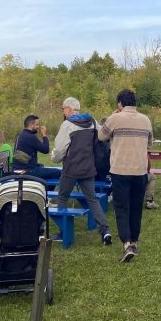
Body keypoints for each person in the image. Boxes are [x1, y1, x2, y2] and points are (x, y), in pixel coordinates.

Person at [98, 89, 153, 263]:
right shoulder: (146, 120)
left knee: (122, 208)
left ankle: (126, 244)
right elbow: (149, 143)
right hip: (139, 171)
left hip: (120, 171)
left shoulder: (115, 118)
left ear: (120, 103)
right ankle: (135, 242)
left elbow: (101, 136)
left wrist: (112, 115)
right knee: (136, 208)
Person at [51, 97, 112, 245]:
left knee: (62, 197)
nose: (63, 111)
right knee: (92, 199)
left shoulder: (67, 125)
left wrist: (54, 158)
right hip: (88, 168)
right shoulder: (91, 122)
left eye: (64, 108)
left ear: (70, 110)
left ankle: (63, 232)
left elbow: (59, 150)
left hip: (71, 169)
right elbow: (102, 138)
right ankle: (105, 230)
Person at [12, 115, 60, 180]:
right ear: (31, 125)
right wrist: (44, 135)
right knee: (58, 172)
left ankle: (45, 188)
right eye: (37, 125)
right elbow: (45, 150)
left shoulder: (20, 135)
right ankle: (48, 189)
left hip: (16, 170)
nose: (38, 127)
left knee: (41, 166)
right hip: (27, 171)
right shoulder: (31, 137)